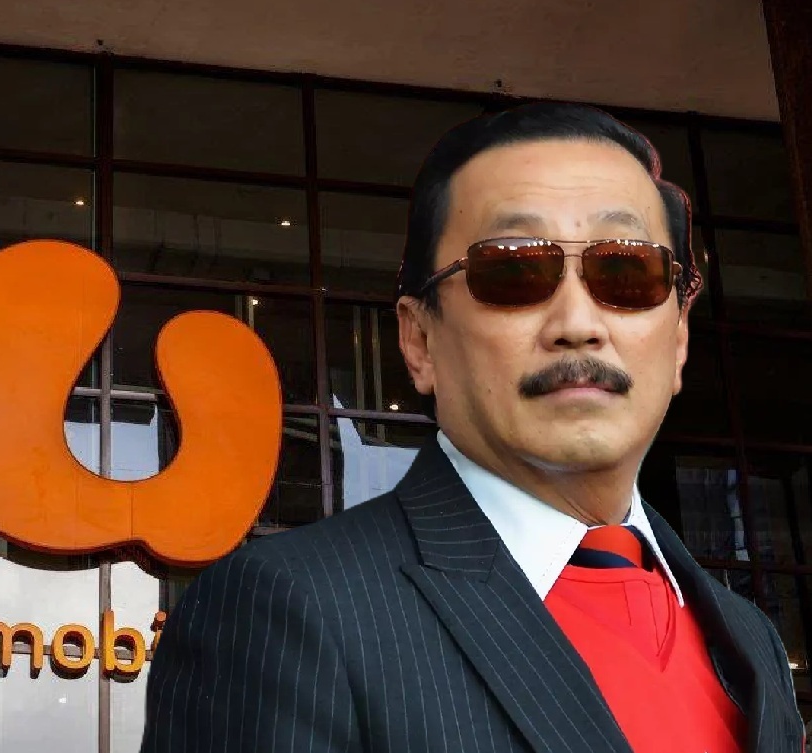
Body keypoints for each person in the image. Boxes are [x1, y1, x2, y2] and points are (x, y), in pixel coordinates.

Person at [139, 102, 804, 753]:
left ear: (679, 336)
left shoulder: (750, 639)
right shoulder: (287, 610)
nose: (578, 323)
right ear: (419, 339)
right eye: (513, 270)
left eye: (627, 270)